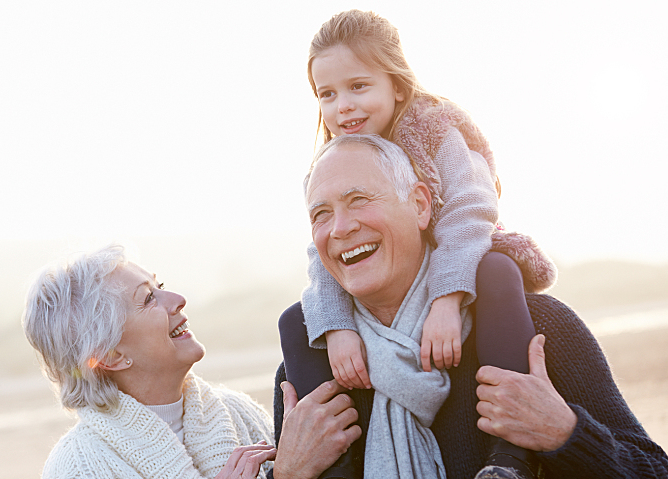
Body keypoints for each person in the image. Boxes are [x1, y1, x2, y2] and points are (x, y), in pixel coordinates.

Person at [274, 135, 668, 478]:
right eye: (320, 215)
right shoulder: (309, 371)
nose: (340, 228)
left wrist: (565, 433)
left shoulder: (538, 329)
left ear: (420, 205)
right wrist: (288, 474)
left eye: (358, 200)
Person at [279, 9, 554, 478]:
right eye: (327, 94)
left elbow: (470, 213)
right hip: (387, 288)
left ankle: (510, 457)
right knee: (297, 320)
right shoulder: (332, 161)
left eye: (358, 86)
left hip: (463, 256)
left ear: (397, 86)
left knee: (497, 271)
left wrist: (447, 301)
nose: (342, 105)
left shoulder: (435, 130)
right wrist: (338, 327)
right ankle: (336, 466)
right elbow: (324, 253)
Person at [23, 245, 361, 479]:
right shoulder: (77, 468)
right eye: (148, 298)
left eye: (162, 286)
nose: (178, 300)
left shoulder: (237, 412)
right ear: (110, 356)